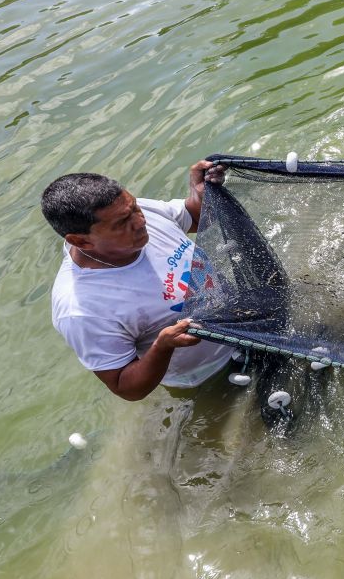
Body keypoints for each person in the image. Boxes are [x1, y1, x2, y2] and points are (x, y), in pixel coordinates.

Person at [42, 161, 234, 401]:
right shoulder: (82, 309)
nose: (140, 221)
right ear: (81, 241)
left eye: (134, 208)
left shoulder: (133, 210)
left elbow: (194, 218)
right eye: (122, 223)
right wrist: (162, 347)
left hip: (245, 325)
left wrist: (199, 195)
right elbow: (125, 386)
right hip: (209, 374)